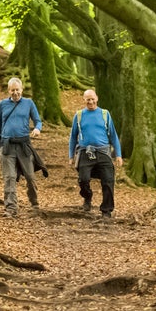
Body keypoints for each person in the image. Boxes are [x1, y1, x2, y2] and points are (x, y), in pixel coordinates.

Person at [0, 77, 44, 218]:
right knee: (9, 177)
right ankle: (11, 208)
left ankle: (34, 203)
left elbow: (38, 121)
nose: (15, 93)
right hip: (6, 146)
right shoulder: (3, 104)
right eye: (12, 90)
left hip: (24, 146)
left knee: (30, 177)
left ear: (22, 90)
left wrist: (37, 129)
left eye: (17, 90)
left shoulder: (29, 103)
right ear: (9, 91)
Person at [68, 89, 123, 218]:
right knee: (83, 179)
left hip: (103, 152)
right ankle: (87, 197)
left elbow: (114, 136)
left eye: (92, 99)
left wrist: (118, 155)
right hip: (85, 152)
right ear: (84, 100)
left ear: (97, 98)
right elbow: (73, 137)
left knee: (108, 180)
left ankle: (106, 210)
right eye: (88, 99)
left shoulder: (105, 114)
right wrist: (71, 156)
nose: (91, 102)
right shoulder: (79, 115)